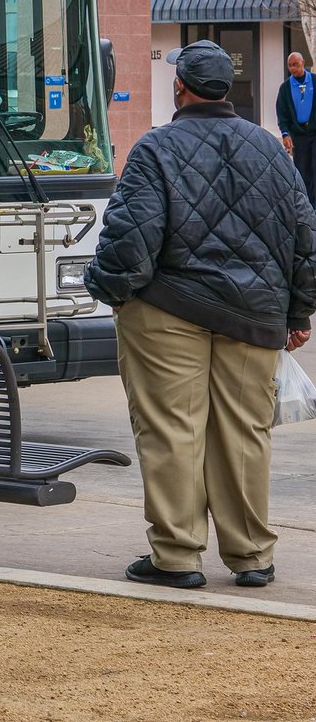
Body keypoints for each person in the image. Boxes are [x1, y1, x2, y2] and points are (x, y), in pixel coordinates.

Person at [85, 39, 315, 590]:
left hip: (168, 309)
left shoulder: (155, 148)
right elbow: (305, 237)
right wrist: (299, 310)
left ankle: (177, 555)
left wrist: (109, 289)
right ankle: (252, 555)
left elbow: (129, 239)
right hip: (255, 315)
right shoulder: (268, 150)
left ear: (179, 87)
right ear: (226, 89)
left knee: (171, 430)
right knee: (245, 433)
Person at [275, 50, 316, 205]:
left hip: (314, 133)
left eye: (296, 65)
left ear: (303, 63)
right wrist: (285, 134)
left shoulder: (314, 81)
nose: (293, 68)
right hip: (299, 135)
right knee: (302, 170)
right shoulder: (285, 88)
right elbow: (282, 112)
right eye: (290, 65)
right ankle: (305, 204)